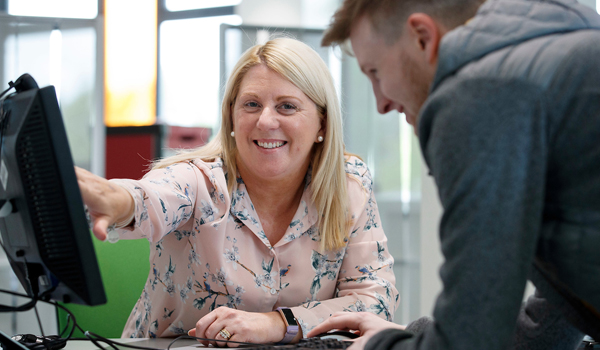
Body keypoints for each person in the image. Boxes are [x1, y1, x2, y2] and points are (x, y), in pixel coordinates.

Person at [310, 0, 600, 349]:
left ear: (422, 37)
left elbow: (471, 338)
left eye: (375, 72)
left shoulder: (480, 94)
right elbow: (552, 321)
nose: (381, 103)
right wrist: (410, 336)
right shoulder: (562, 59)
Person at [76, 37, 399, 345]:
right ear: (231, 115)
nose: (265, 121)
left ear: (322, 124)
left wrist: (280, 324)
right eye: (251, 104)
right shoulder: (198, 179)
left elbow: (375, 300)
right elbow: (147, 199)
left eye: (287, 106)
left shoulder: (348, 184)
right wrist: (117, 201)